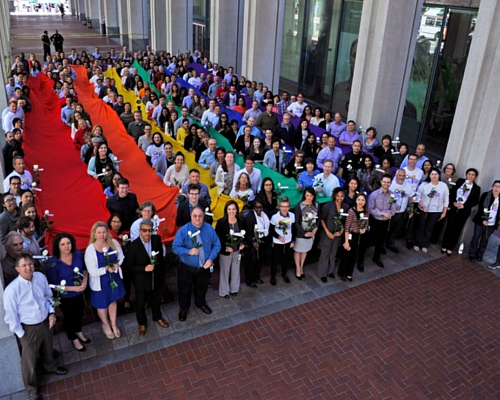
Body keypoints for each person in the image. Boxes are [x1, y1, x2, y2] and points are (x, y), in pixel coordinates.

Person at [3, 253, 68, 399]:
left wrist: (51, 313)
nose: (28, 268)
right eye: (24, 265)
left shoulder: (40, 277)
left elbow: (48, 295)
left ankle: (50, 367)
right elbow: (11, 317)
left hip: (45, 321)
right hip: (28, 328)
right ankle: (32, 389)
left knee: (48, 347)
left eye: (30, 264)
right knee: (29, 361)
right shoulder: (12, 290)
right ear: (17, 268)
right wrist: (22, 335)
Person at [172, 206, 221, 321]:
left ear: (203, 216)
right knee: (185, 289)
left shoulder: (209, 229)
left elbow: (217, 245)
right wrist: (188, 251)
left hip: (204, 267)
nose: (197, 218)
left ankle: (201, 303)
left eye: (200, 216)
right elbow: (175, 247)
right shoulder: (183, 230)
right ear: (191, 216)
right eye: (195, 216)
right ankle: (184, 309)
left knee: (202, 287)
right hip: (186, 267)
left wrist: (210, 259)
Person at [46, 233, 90, 352]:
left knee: (79, 313)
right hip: (66, 296)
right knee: (69, 317)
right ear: (58, 246)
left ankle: (79, 331)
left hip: (80, 292)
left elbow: (84, 270)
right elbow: (53, 286)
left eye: (68, 243)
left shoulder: (78, 254)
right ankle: (73, 338)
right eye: (63, 244)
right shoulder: (53, 263)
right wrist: (73, 289)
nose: (66, 246)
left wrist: (85, 281)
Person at [125, 219, 168, 336]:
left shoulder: (156, 239)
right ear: (139, 231)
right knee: (140, 303)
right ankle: (142, 323)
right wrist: (144, 269)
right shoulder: (133, 246)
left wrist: (161, 272)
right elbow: (130, 266)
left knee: (156, 299)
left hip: (156, 278)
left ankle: (157, 317)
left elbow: (160, 258)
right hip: (141, 281)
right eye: (144, 230)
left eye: (150, 230)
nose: (147, 233)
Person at [85, 221, 126, 340]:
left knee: (113, 301)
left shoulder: (113, 243)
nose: (102, 235)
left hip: (113, 278)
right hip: (100, 281)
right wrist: (105, 269)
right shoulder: (90, 250)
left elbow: (121, 256)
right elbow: (92, 272)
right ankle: (106, 325)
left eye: (104, 232)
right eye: (99, 232)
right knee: (102, 305)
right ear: (94, 234)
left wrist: (117, 264)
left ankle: (113, 323)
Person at [441, 169, 480, 256]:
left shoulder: (476, 188)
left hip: (464, 211)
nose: (470, 176)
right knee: (449, 227)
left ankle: (450, 247)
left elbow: (475, 201)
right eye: (469, 174)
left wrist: (464, 206)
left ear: (475, 177)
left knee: (457, 229)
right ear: (466, 175)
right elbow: (452, 192)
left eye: (473, 175)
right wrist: (453, 202)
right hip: (454, 208)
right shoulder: (460, 182)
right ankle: (444, 245)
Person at [414, 168, 449, 253]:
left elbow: (446, 200)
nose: (434, 176)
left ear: (439, 176)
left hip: (436, 211)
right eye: (432, 174)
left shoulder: (443, 186)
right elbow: (418, 197)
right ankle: (417, 243)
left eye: (436, 174)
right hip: (424, 209)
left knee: (429, 228)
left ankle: (424, 244)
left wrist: (444, 212)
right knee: (421, 226)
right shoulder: (424, 185)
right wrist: (423, 206)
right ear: (429, 175)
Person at [215, 201, 245, 298]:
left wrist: (242, 244)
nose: (231, 211)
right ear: (226, 210)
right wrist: (225, 247)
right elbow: (217, 238)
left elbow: (244, 234)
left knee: (236, 269)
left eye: (233, 209)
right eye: (229, 209)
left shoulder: (241, 221)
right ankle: (224, 291)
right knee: (225, 271)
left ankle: (234, 289)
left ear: (236, 210)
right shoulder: (221, 222)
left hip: (237, 250)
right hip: (226, 252)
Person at [318, 188, 349, 282]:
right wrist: (327, 232)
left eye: (342, 196)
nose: (340, 198)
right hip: (327, 233)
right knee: (325, 254)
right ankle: (322, 273)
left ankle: (330, 271)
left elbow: (345, 221)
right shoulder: (328, 206)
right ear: (334, 195)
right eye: (338, 196)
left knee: (333, 253)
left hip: (337, 234)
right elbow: (322, 219)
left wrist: (341, 231)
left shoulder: (346, 207)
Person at [338, 193, 370, 281]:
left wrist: (364, 229)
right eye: (359, 200)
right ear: (355, 200)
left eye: (363, 200)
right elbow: (347, 227)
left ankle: (349, 273)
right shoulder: (351, 211)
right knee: (347, 255)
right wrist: (346, 241)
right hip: (350, 235)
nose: (361, 202)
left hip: (360, 236)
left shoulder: (366, 211)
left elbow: (367, 224)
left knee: (354, 255)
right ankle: (342, 272)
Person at [368, 174, 397, 269]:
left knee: (381, 241)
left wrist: (380, 211)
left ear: (391, 183)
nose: (386, 184)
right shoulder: (374, 194)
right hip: (375, 221)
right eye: (384, 181)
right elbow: (370, 210)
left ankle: (376, 258)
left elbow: (393, 210)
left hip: (385, 222)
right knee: (369, 240)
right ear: (381, 182)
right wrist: (382, 213)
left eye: (388, 182)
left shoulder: (392, 195)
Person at [468, 180, 500, 262]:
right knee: (476, 237)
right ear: (492, 187)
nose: (497, 188)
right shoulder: (486, 195)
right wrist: (483, 219)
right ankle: (472, 254)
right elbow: (481, 208)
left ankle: (479, 254)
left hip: (492, 224)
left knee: (484, 240)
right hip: (481, 221)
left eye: (499, 187)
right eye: (495, 186)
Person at [387, 169, 415, 253]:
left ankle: (390, 244)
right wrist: (394, 206)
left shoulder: (408, 185)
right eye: (400, 175)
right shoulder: (391, 184)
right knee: (387, 229)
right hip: (390, 212)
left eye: (403, 176)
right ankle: (382, 244)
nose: (401, 177)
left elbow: (411, 198)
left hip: (402, 212)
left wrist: (411, 210)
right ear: (396, 175)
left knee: (396, 229)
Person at [293, 188, 319, 280]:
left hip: (312, 233)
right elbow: (296, 222)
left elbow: (318, 218)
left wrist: (315, 228)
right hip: (301, 233)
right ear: (304, 195)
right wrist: (304, 233)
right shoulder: (299, 206)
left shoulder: (316, 204)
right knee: (298, 250)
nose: (309, 198)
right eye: (307, 195)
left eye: (311, 196)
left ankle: (302, 265)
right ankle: (298, 268)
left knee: (305, 250)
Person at [269, 197, 295, 285]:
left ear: (289, 207)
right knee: (275, 260)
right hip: (277, 242)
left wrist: (293, 241)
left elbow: (293, 229)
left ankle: (284, 274)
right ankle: (273, 276)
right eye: (283, 206)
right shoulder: (275, 217)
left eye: (286, 206)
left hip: (287, 242)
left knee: (286, 259)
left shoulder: (292, 216)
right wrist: (278, 237)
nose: (285, 209)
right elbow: (271, 230)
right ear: (279, 207)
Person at [244, 199, 270, 288]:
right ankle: (249, 280)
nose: (259, 209)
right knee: (251, 262)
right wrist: (254, 243)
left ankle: (256, 277)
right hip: (253, 243)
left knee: (260, 261)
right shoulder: (250, 217)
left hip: (262, 241)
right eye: (257, 207)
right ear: (253, 207)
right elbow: (248, 233)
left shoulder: (264, 213)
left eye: (261, 207)